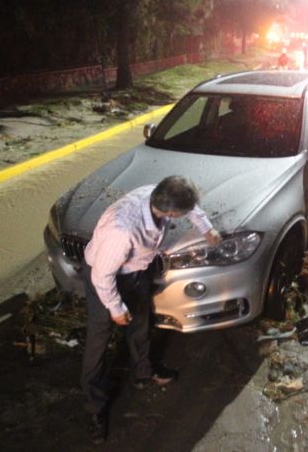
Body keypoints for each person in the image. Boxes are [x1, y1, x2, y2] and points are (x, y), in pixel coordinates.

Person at [82, 175, 221, 444]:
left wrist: (207, 229)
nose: (182, 216)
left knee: (140, 323)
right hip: (105, 277)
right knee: (98, 342)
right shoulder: (121, 231)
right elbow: (102, 277)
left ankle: (144, 372)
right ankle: (94, 409)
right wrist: (115, 308)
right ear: (170, 212)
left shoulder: (158, 194)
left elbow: (190, 206)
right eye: (178, 215)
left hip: (135, 271)